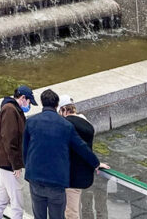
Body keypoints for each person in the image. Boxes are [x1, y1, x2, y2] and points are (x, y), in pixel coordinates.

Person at [23, 89, 100, 219]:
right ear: (57, 105)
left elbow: (25, 149)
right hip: (56, 181)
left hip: (35, 179)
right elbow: (81, 147)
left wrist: (29, 168)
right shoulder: (66, 125)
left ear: (42, 102)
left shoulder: (31, 122)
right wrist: (96, 163)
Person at [0, 85, 36, 219]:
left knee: (2, 197)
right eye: (29, 101)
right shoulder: (11, 110)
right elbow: (9, 139)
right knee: (17, 200)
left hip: (4, 161)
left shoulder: (11, 109)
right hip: (9, 163)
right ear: (23, 98)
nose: (29, 105)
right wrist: (16, 165)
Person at [59, 95, 102, 219]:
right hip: (84, 175)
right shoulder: (86, 123)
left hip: (70, 176)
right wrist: (96, 163)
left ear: (63, 110)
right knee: (77, 208)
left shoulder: (66, 125)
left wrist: (96, 163)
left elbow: (77, 146)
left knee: (71, 212)